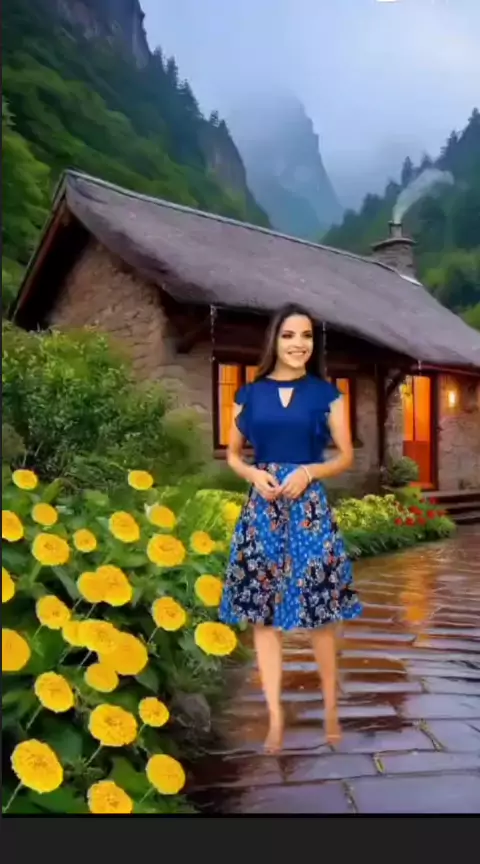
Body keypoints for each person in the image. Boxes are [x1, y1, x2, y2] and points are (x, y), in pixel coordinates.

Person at [219, 303, 362, 753]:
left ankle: (331, 708)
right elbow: (233, 454)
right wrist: (252, 475)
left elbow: (345, 455)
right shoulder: (249, 395)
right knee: (264, 616)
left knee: (321, 611)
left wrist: (309, 472)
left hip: (308, 509)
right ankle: (275, 718)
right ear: (274, 341)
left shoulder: (327, 394)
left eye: (306, 336)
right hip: (263, 510)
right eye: (289, 335)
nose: (299, 344)